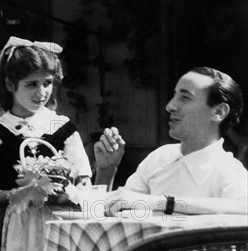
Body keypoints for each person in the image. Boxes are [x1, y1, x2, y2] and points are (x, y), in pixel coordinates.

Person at [0, 36, 95, 251]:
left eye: (47, 83)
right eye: (31, 84)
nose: (42, 92)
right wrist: (18, 193)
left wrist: (70, 192)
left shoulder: (63, 127)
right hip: (15, 226)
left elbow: (84, 183)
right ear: (9, 84)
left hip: (60, 223)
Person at [104, 67, 248, 216]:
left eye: (185, 97)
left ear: (218, 112)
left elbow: (243, 208)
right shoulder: (159, 157)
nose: (170, 106)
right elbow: (113, 208)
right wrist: (106, 171)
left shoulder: (230, 171)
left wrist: (162, 202)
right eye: (175, 95)